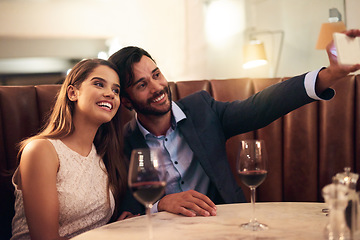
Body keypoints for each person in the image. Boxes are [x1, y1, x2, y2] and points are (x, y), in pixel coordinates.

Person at [108, 29, 360, 218]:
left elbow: (262, 106)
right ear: (127, 101)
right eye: (142, 85)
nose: (157, 88)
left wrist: (331, 74)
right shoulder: (123, 142)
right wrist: (160, 204)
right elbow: (126, 210)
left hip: (222, 224)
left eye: (156, 75)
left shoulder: (202, 109)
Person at [11, 59, 129, 240]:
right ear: (73, 93)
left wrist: (116, 227)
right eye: (99, 84)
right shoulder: (41, 150)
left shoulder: (102, 155)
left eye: (116, 90)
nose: (110, 94)